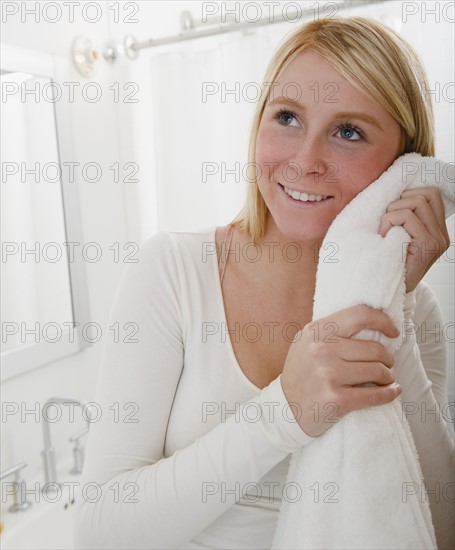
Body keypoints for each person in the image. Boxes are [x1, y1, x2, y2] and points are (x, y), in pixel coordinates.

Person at [75, 16, 454, 550]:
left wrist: (400, 310)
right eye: (287, 117)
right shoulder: (174, 271)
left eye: (349, 132)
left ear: (405, 166)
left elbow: (438, 527)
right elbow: (101, 529)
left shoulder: (417, 311)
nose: (305, 160)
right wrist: (285, 413)